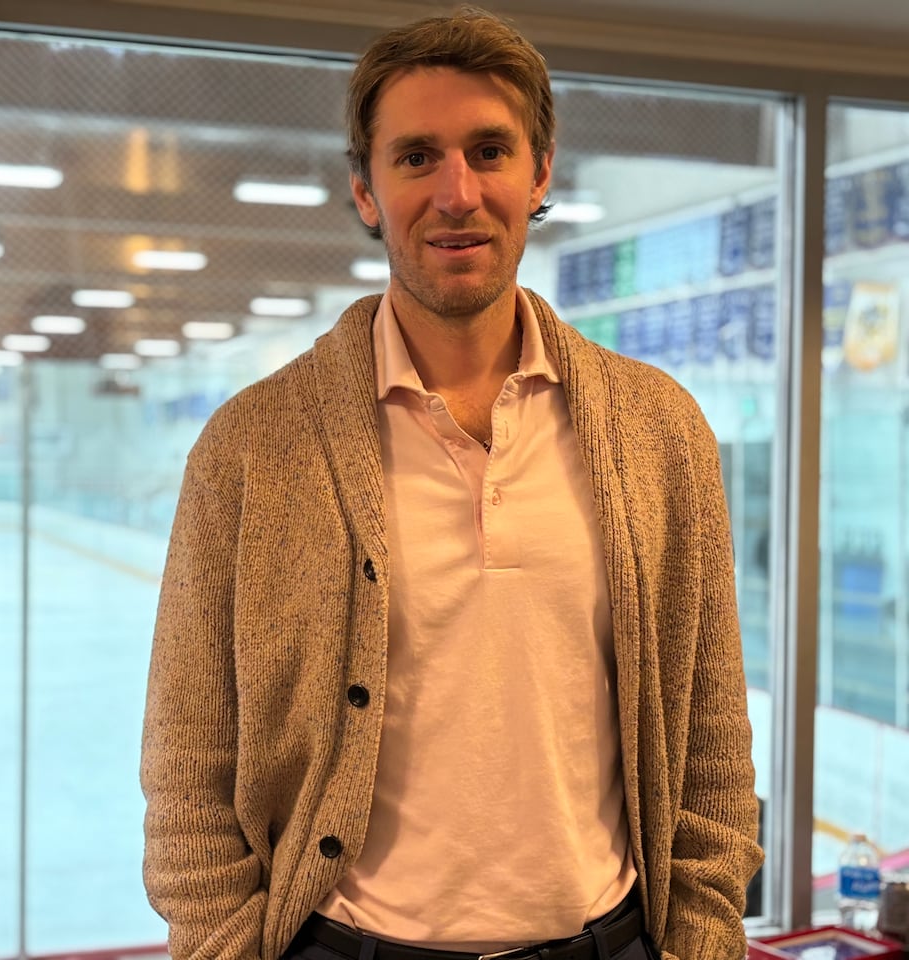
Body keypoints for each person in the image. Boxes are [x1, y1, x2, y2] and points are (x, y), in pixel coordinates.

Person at [140, 8, 763, 960]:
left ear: (540, 174)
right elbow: (188, 770)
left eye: (489, 151)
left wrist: (704, 943)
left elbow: (713, 748)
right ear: (364, 189)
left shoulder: (660, 431)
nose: (458, 192)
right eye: (417, 156)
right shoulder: (251, 450)